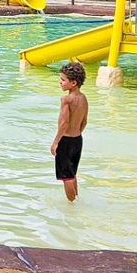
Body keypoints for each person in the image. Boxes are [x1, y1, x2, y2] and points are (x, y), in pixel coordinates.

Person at [51, 60, 88, 204]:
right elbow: (84, 121)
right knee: (72, 174)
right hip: (78, 140)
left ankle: (72, 206)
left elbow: (64, 123)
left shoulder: (67, 100)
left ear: (73, 83)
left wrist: (56, 142)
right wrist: (77, 133)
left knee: (66, 176)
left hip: (65, 141)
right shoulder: (83, 98)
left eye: (63, 80)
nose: (60, 82)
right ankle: (76, 198)